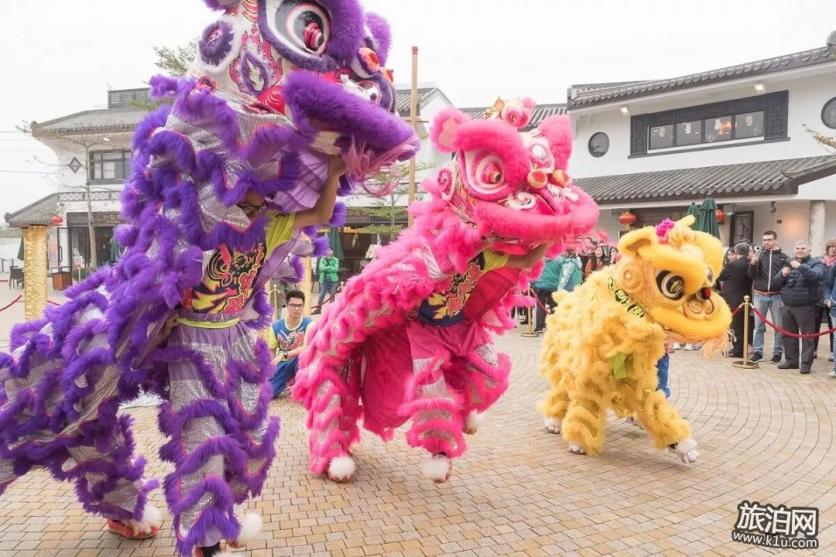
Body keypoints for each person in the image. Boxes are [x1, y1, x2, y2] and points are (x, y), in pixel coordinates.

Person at [772, 240, 824, 374]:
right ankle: (791, 361)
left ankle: (806, 364)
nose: (800, 250)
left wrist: (799, 266)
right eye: (797, 248)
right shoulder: (788, 263)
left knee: (807, 336)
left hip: (806, 306)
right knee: (788, 335)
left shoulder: (816, 263)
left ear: (809, 250)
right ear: (794, 249)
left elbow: (816, 276)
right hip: (788, 305)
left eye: (803, 248)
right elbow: (775, 283)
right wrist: (783, 274)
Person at [748, 230, 789, 363]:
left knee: (778, 326)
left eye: (769, 239)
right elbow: (751, 275)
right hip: (759, 295)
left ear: (775, 240)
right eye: (764, 240)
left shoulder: (783, 257)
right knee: (758, 326)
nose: (766, 242)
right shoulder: (758, 255)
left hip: (777, 296)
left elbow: (786, 278)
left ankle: (777, 353)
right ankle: (758, 352)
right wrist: (753, 263)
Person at [267, 290, 312, 397]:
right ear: (287, 305)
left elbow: (306, 347)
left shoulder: (309, 324)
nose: (296, 309)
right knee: (269, 393)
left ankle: (301, 385)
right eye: (293, 305)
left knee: (304, 358)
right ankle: (286, 382)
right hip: (283, 363)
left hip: (301, 361)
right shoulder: (275, 326)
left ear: (303, 306)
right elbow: (271, 352)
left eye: (300, 306)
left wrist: (284, 354)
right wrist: (268, 370)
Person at [717, 242, 754, 358]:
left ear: (736, 252)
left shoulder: (732, 265)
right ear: (748, 252)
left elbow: (720, 276)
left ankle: (738, 349)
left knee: (735, 326)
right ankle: (742, 347)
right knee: (743, 325)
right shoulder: (749, 264)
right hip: (745, 298)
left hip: (733, 299)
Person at [533, 250, 582, 334]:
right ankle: (554, 326)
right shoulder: (559, 259)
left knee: (540, 306)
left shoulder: (539, 259)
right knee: (554, 307)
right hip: (554, 286)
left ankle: (539, 326)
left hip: (541, 286)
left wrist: (534, 283)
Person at [814, 239, 836, 361]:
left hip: (832, 299)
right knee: (815, 326)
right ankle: (813, 350)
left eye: (835, 247)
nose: (833, 249)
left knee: (832, 327)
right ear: (827, 248)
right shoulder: (819, 261)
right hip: (817, 298)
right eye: (831, 246)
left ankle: (833, 352)